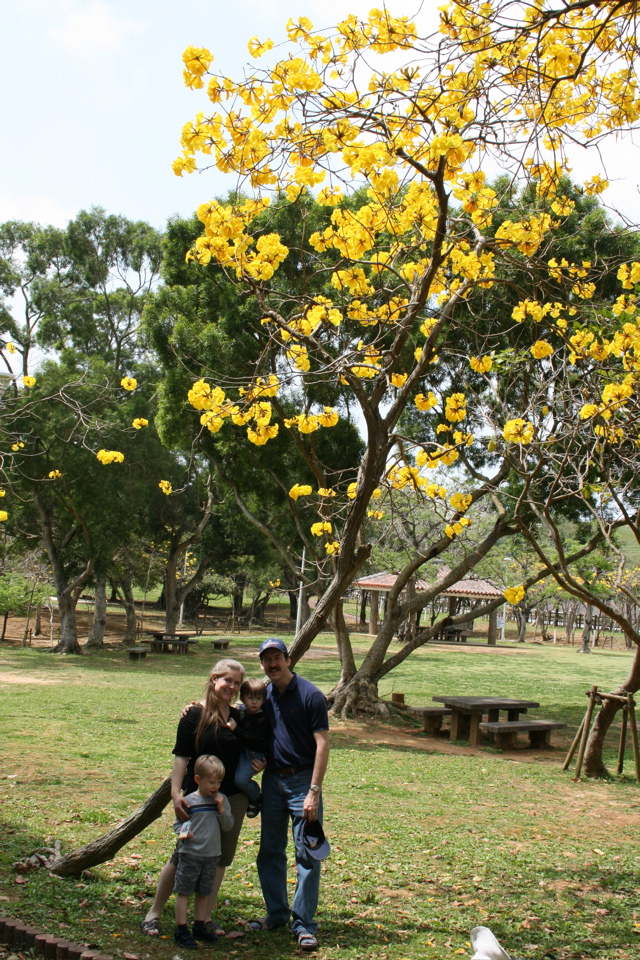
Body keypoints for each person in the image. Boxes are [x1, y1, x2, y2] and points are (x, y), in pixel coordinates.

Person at [142, 659, 253, 937]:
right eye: (228, 680)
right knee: (183, 854)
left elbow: (258, 741)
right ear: (214, 679)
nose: (232, 687)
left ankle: (203, 919)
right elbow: (181, 756)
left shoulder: (240, 716)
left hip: (231, 799)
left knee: (219, 859)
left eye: (237, 683)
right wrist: (175, 793)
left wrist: (258, 764)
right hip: (198, 799)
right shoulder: (193, 714)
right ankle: (154, 912)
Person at [250, 637, 330, 953]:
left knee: (307, 853)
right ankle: (277, 913)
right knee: (270, 850)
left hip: (302, 783)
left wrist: (314, 791)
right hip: (272, 782)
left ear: (288, 660)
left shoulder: (311, 695)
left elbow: (322, 745)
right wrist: (198, 705)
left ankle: (304, 924)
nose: (272, 664)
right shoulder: (264, 695)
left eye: (277, 658)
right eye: (266, 660)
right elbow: (236, 709)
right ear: (262, 664)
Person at [172, 754, 234, 949]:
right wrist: (185, 833)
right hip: (190, 854)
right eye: (211, 782)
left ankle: (200, 926)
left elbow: (228, 826)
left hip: (211, 855)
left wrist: (222, 809)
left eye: (219, 782)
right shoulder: (189, 801)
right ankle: (181, 929)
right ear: (198, 780)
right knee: (184, 891)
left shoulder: (220, 800)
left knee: (204, 892)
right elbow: (178, 825)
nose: (215, 787)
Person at [226, 677, 270, 818]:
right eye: (250, 698)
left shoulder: (263, 718)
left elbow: (254, 739)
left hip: (254, 754)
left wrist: (235, 729)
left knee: (240, 780)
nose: (254, 702)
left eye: (258, 698)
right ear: (243, 698)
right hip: (242, 751)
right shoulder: (241, 713)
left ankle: (256, 796)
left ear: (263, 700)